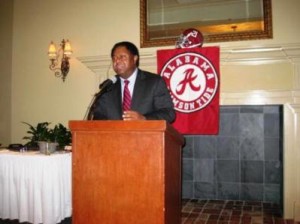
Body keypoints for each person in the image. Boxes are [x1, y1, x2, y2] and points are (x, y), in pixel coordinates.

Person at [92, 41, 175, 123]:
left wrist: (144, 119)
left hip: (145, 135)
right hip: (114, 135)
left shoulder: (154, 82)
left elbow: (168, 113)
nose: (117, 61)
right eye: (114, 58)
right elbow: (97, 117)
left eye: (122, 57)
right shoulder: (108, 86)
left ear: (135, 58)